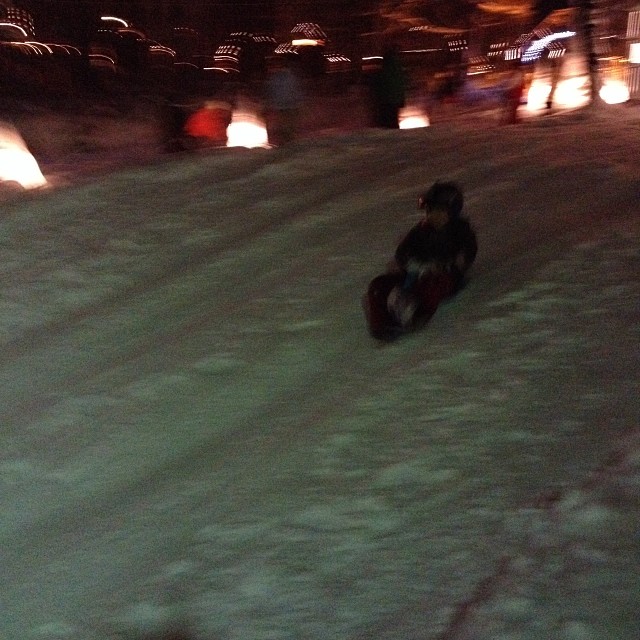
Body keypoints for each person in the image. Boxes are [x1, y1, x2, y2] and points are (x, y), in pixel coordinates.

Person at [369, 182, 477, 334]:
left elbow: (465, 255)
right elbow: (402, 252)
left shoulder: (460, 232)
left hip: (441, 278)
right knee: (378, 285)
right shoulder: (421, 231)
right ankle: (382, 323)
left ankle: (416, 317)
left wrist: (446, 265)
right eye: (429, 210)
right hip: (415, 272)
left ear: (452, 212)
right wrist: (410, 264)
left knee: (432, 283)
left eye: (439, 211)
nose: (432, 216)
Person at [265, 56, 303, 146]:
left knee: (284, 128)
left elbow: (275, 93)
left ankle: (286, 145)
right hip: (288, 106)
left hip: (284, 107)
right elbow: (296, 91)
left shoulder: (278, 78)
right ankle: (289, 145)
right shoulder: (289, 76)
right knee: (288, 128)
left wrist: (270, 104)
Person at [371, 46, 408, 129]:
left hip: (387, 99)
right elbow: (400, 83)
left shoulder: (386, 67)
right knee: (393, 119)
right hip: (395, 98)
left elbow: (383, 83)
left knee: (388, 120)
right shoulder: (397, 67)